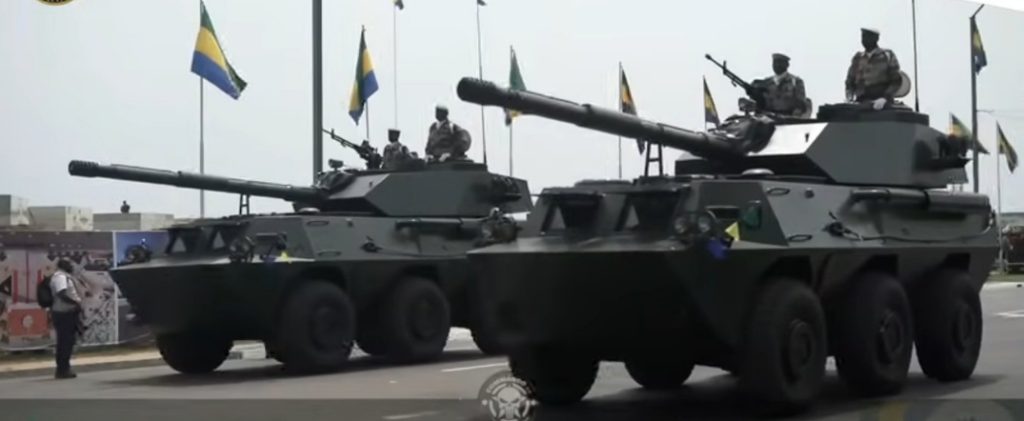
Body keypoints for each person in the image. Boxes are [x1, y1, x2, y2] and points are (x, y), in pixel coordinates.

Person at [845, 28, 902, 110]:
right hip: (861, 101)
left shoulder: (887, 56)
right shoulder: (858, 58)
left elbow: (896, 80)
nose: (864, 39)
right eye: (863, 36)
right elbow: (850, 81)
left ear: (876, 38)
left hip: (882, 102)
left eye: (868, 36)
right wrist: (849, 97)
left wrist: (885, 98)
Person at [49, 258, 82, 379]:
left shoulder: (63, 276)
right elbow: (61, 294)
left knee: (67, 342)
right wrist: (75, 303)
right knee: (65, 342)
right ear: (64, 265)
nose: (72, 266)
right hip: (64, 314)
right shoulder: (60, 277)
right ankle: (62, 370)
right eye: (70, 264)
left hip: (66, 313)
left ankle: (64, 368)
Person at [758, 53, 809, 117]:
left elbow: (801, 105)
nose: (777, 65)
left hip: (788, 118)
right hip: (769, 118)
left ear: (787, 65)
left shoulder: (796, 82)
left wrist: (794, 116)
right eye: (775, 63)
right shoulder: (766, 83)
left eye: (780, 62)